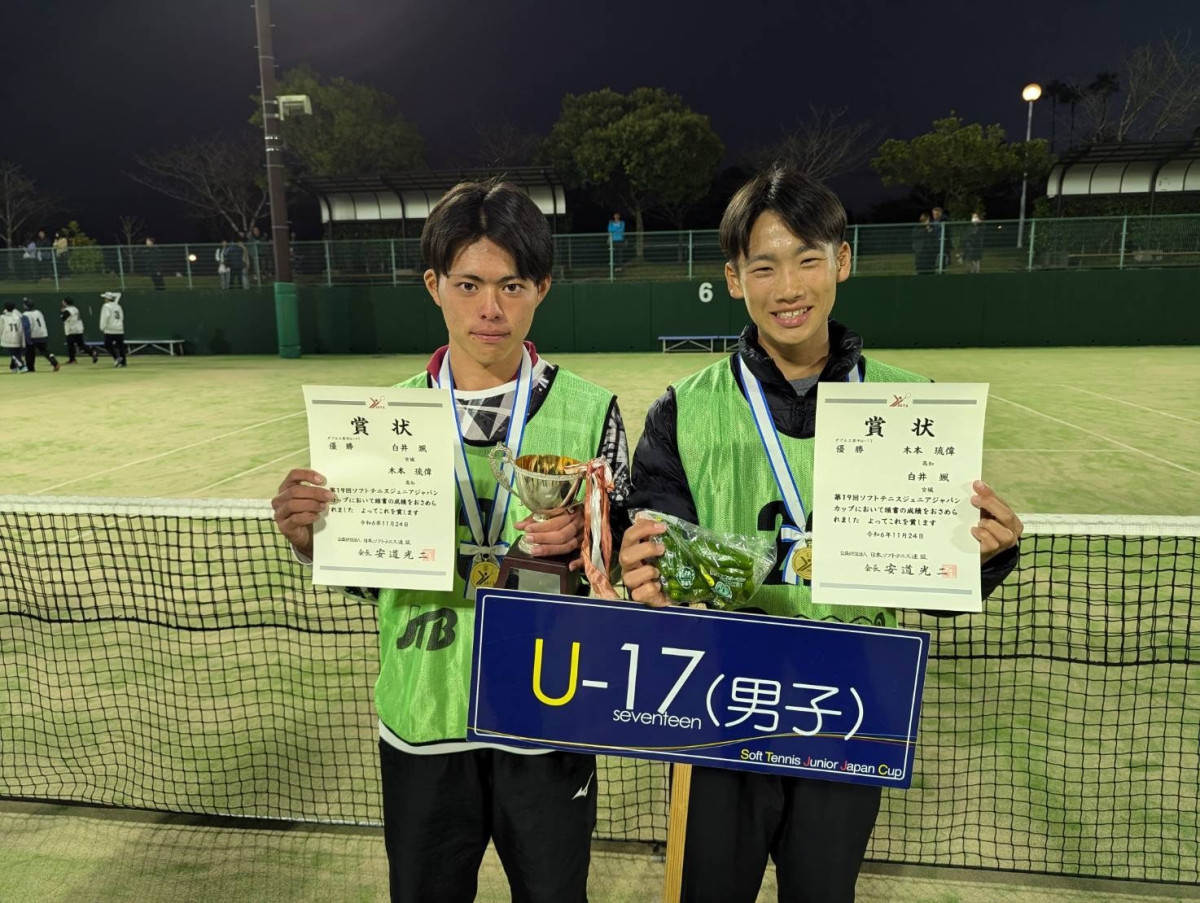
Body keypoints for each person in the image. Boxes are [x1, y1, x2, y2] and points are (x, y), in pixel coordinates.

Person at [618, 166, 1023, 903]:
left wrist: (986, 555)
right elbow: (657, 558)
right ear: (733, 279)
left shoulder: (914, 405)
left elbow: (935, 579)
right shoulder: (684, 409)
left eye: (808, 259)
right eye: (764, 266)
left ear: (843, 260)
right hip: (722, 706)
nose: (789, 287)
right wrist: (641, 567)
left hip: (848, 707)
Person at [270, 179, 632, 903]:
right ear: (434, 285)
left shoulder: (593, 411)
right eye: (468, 284)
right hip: (423, 717)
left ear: (542, 288)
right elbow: (371, 574)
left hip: (546, 715)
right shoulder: (385, 418)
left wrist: (590, 541)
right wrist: (314, 540)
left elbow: (617, 561)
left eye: (511, 285)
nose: (490, 308)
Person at [21, 298, 61, 372]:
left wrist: (27, 339)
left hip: (33, 335)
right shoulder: (38, 312)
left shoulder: (25, 314)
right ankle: (55, 363)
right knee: (45, 350)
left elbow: (27, 327)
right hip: (43, 334)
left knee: (29, 352)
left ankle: (30, 368)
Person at [61, 296, 99, 364]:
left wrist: (62, 312)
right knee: (81, 345)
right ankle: (92, 352)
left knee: (70, 345)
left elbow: (63, 318)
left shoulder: (67, 310)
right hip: (79, 328)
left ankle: (72, 360)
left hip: (72, 329)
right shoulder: (75, 308)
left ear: (66, 302)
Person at [99, 291, 128, 367]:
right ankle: (123, 362)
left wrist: (102, 327)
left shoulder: (106, 306)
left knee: (108, 345)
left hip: (110, 329)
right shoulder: (118, 306)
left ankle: (117, 357)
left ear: (107, 299)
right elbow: (122, 317)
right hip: (119, 329)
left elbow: (105, 317)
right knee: (120, 346)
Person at [2, 301, 27, 373]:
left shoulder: (2, 317)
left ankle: (22, 366)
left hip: (7, 338)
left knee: (14, 354)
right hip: (17, 338)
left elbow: (1, 328)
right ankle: (13, 367)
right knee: (16, 353)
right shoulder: (18, 317)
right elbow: (21, 329)